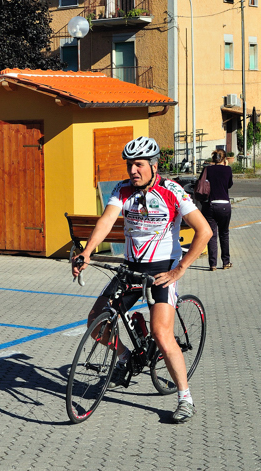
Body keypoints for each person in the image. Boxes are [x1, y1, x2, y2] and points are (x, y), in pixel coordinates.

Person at [71, 136, 212, 424]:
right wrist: (87, 251)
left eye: (139, 165)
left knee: (161, 334)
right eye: (129, 165)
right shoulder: (122, 190)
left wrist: (180, 269)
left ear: (154, 166)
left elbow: (205, 231)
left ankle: (185, 398)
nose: (133, 170)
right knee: (95, 320)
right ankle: (125, 358)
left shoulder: (172, 191)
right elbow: (106, 221)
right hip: (131, 268)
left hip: (162, 271)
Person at [201, 149, 233, 271]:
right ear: (224, 159)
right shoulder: (228, 170)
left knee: (212, 235)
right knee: (224, 234)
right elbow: (229, 185)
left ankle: (212, 264)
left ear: (213, 158)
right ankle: (226, 262)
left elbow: (201, 183)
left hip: (210, 205)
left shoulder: (207, 169)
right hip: (224, 205)